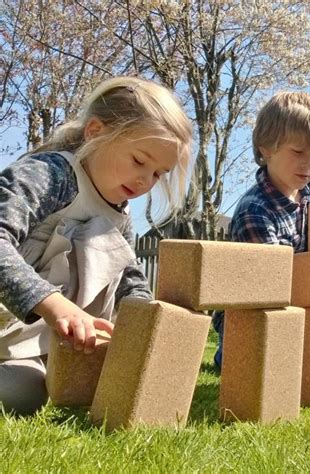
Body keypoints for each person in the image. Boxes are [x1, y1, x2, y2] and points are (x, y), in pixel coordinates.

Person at [0, 76, 193, 415]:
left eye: (158, 174)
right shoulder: (50, 174)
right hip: (9, 325)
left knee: (46, 390)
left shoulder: (121, 210)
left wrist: (143, 328)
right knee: (21, 393)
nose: (145, 181)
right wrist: (55, 305)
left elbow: (130, 277)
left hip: (49, 342)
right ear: (95, 131)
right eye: (139, 161)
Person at [213, 91, 310, 370]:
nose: (308, 164)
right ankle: (230, 355)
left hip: (308, 304)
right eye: (298, 152)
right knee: (267, 363)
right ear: (266, 148)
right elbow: (271, 285)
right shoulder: (254, 211)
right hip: (256, 314)